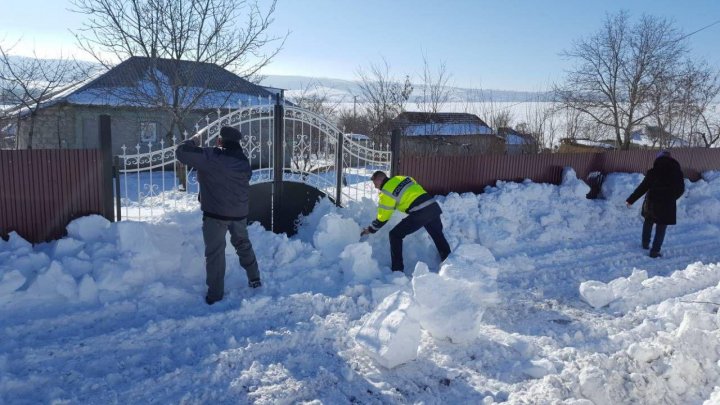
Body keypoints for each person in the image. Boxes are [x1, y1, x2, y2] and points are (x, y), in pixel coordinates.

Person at [176, 126, 261, 304]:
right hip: (239, 213)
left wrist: (194, 141)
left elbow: (181, 152)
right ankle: (255, 279)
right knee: (243, 245)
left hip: (215, 215)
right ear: (237, 142)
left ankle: (215, 295)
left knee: (215, 253)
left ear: (220, 141)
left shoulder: (212, 156)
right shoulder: (243, 160)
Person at [361, 171, 451, 272]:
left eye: (375, 184)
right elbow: (413, 188)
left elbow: (383, 217)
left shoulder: (386, 192)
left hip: (420, 212)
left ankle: (397, 269)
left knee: (395, 235)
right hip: (432, 206)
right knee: (438, 235)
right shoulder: (402, 178)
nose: (376, 187)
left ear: (380, 180)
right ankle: (450, 263)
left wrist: (371, 229)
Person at [626, 150, 685, 258]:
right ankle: (655, 251)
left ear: (658, 159)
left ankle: (645, 244)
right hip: (667, 204)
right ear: (670, 159)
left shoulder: (653, 172)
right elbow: (681, 189)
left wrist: (631, 199)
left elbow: (643, 187)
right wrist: (672, 198)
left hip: (652, 202)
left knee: (648, 221)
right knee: (661, 227)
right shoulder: (677, 173)